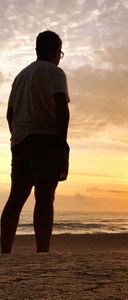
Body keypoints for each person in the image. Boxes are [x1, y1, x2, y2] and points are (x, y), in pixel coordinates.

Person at [1, 30, 70, 253]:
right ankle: (42, 252)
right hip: (46, 141)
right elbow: (61, 107)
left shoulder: (20, 76)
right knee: (44, 197)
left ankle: (4, 252)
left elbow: (10, 114)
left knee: (16, 198)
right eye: (60, 52)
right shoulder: (55, 73)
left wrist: (17, 137)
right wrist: (62, 142)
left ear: (36, 50)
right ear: (56, 52)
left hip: (20, 142)